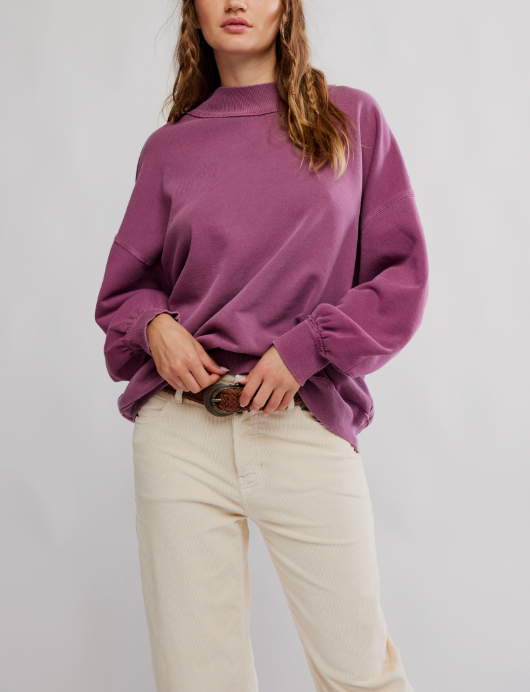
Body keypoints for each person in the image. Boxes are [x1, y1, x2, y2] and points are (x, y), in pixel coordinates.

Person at [94, 0, 429, 690]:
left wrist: (306, 349)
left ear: (288, 8)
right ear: (193, 12)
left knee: (360, 673)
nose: (236, 1)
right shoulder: (169, 149)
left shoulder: (350, 120)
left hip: (302, 424)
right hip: (181, 436)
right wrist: (156, 327)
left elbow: (401, 276)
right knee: (197, 680)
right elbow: (125, 290)